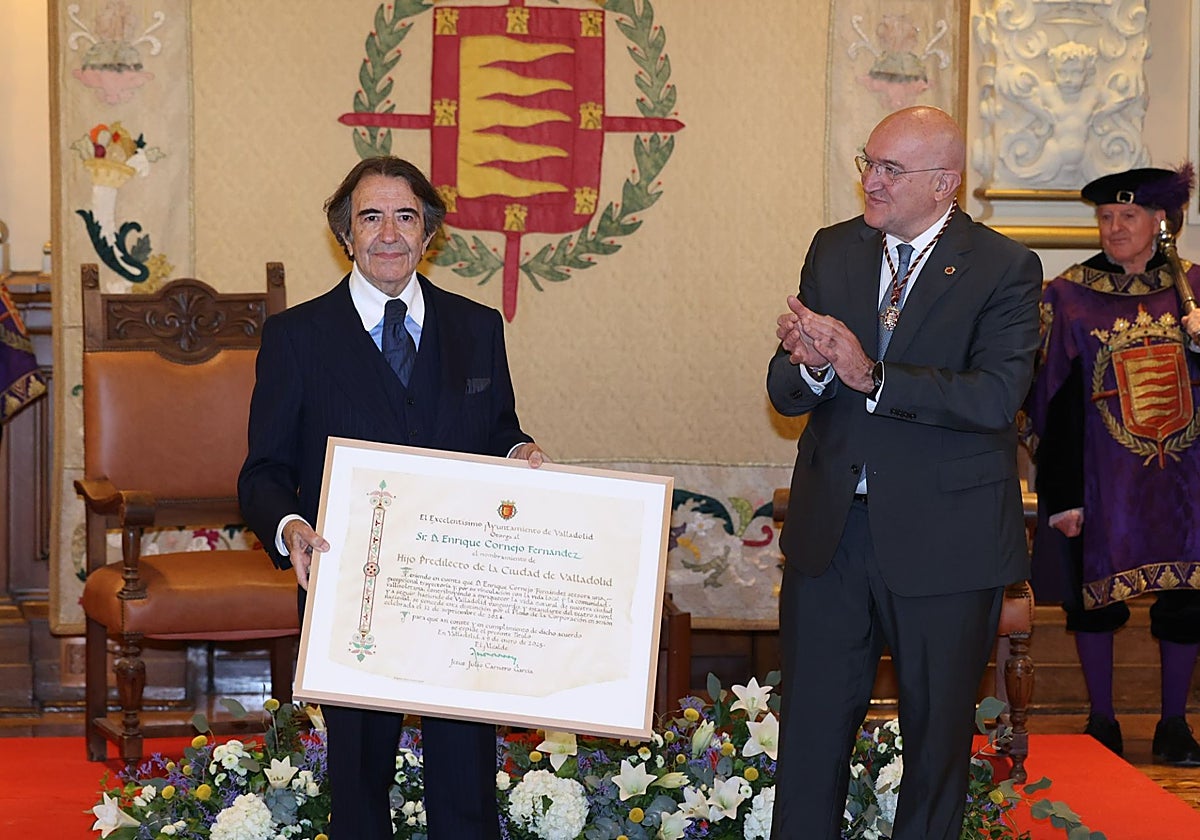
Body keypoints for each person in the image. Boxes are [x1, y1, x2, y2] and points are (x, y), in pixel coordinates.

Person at [238, 156, 546, 838]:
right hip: (352, 591)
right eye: (370, 217)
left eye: (405, 217)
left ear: (428, 233)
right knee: (361, 777)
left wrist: (519, 453)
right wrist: (290, 526)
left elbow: (499, 432)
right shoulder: (296, 338)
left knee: (465, 777)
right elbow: (261, 472)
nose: (388, 234)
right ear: (345, 235)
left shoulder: (477, 327)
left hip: (458, 588)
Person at [766, 106, 1042, 840]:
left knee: (935, 744)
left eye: (892, 169)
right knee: (811, 734)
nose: (872, 180)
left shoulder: (1005, 267)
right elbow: (785, 389)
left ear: (943, 183)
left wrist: (871, 372)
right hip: (831, 537)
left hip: (946, 543)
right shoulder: (835, 249)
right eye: (869, 161)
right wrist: (813, 367)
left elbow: (994, 398)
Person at [1024, 164, 1200, 766]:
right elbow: (1054, 402)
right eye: (1105, 217)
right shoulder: (1069, 296)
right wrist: (1065, 495)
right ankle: (1102, 722)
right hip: (1102, 488)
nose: (1115, 227)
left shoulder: (1194, 291)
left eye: (1128, 216)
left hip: (1186, 489)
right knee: (1092, 602)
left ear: (1160, 221)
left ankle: (1175, 725)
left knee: (1189, 603)